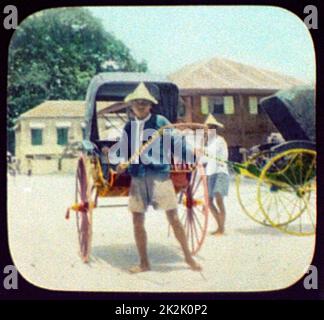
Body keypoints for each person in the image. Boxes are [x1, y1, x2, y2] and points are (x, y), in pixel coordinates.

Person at [116, 82, 201, 273]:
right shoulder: (129, 127)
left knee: (173, 218)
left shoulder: (160, 122)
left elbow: (177, 142)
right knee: (137, 221)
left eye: (144, 103)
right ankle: (144, 263)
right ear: (131, 106)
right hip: (138, 177)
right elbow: (124, 150)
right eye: (137, 103)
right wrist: (121, 163)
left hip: (160, 176)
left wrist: (191, 156)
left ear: (150, 105)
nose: (141, 106)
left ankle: (188, 258)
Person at [201, 114, 229, 236]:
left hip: (220, 171)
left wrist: (202, 150)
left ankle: (221, 228)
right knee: (209, 201)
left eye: (211, 128)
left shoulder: (219, 140)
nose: (209, 130)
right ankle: (219, 226)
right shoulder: (207, 143)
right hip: (210, 173)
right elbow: (203, 160)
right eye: (208, 128)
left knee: (219, 199)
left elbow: (213, 154)